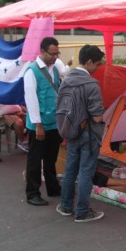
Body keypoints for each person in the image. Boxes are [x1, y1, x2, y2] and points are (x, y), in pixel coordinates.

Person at [56, 45, 106, 223]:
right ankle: (83, 212)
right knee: (85, 172)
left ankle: (66, 206)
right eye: (98, 64)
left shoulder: (66, 79)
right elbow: (98, 116)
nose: (98, 68)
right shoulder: (91, 84)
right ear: (90, 62)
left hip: (70, 131)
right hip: (89, 135)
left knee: (70, 170)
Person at [24, 37, 63, 206]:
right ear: (42, 52)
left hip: (53, 123)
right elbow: (31, 100)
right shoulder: (31, 71)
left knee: (50, 159)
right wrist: (38, 125)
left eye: (57, 53)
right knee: (35, 160)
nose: (55, 57)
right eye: (52, 54)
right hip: (38, 125)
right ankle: (32, 193)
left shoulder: (54, 70)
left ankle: (53, 187)